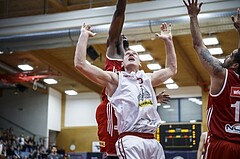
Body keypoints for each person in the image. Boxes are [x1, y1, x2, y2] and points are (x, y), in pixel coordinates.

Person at [74, 21, 177, 159]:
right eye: (127, 53)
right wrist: (83, 36)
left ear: (140, 63)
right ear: (122, 63)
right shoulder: (116, 80)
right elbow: (80, 64)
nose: (131, 54)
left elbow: (172, 69)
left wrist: (168, 41)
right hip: (131, 139)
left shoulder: (148, 78)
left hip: (152, 140)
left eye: (134, 53)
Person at [183, 1, 240, 158]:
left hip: (220, 145)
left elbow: (198, 45)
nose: (227, 56)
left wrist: (193, 16)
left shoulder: (221, 74)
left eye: (230, 55)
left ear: (234, 65)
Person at [95, 0, 127, 158]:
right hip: (110, 107)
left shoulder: (132, 67)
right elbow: (119, 14)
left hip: (126, 110)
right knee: (111, 153)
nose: (122, 35)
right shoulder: (113, 52)